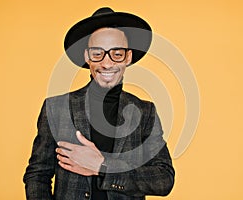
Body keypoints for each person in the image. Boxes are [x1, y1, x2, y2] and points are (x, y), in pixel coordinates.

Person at [23, 7, 175, 200]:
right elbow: (37, 175)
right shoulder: (56, 108)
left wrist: (103, 166)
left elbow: (164, 180)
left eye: (116, 54)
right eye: (98, 53)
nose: (107, 63)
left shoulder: (146, 112)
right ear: (87, 57)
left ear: (128, 57)